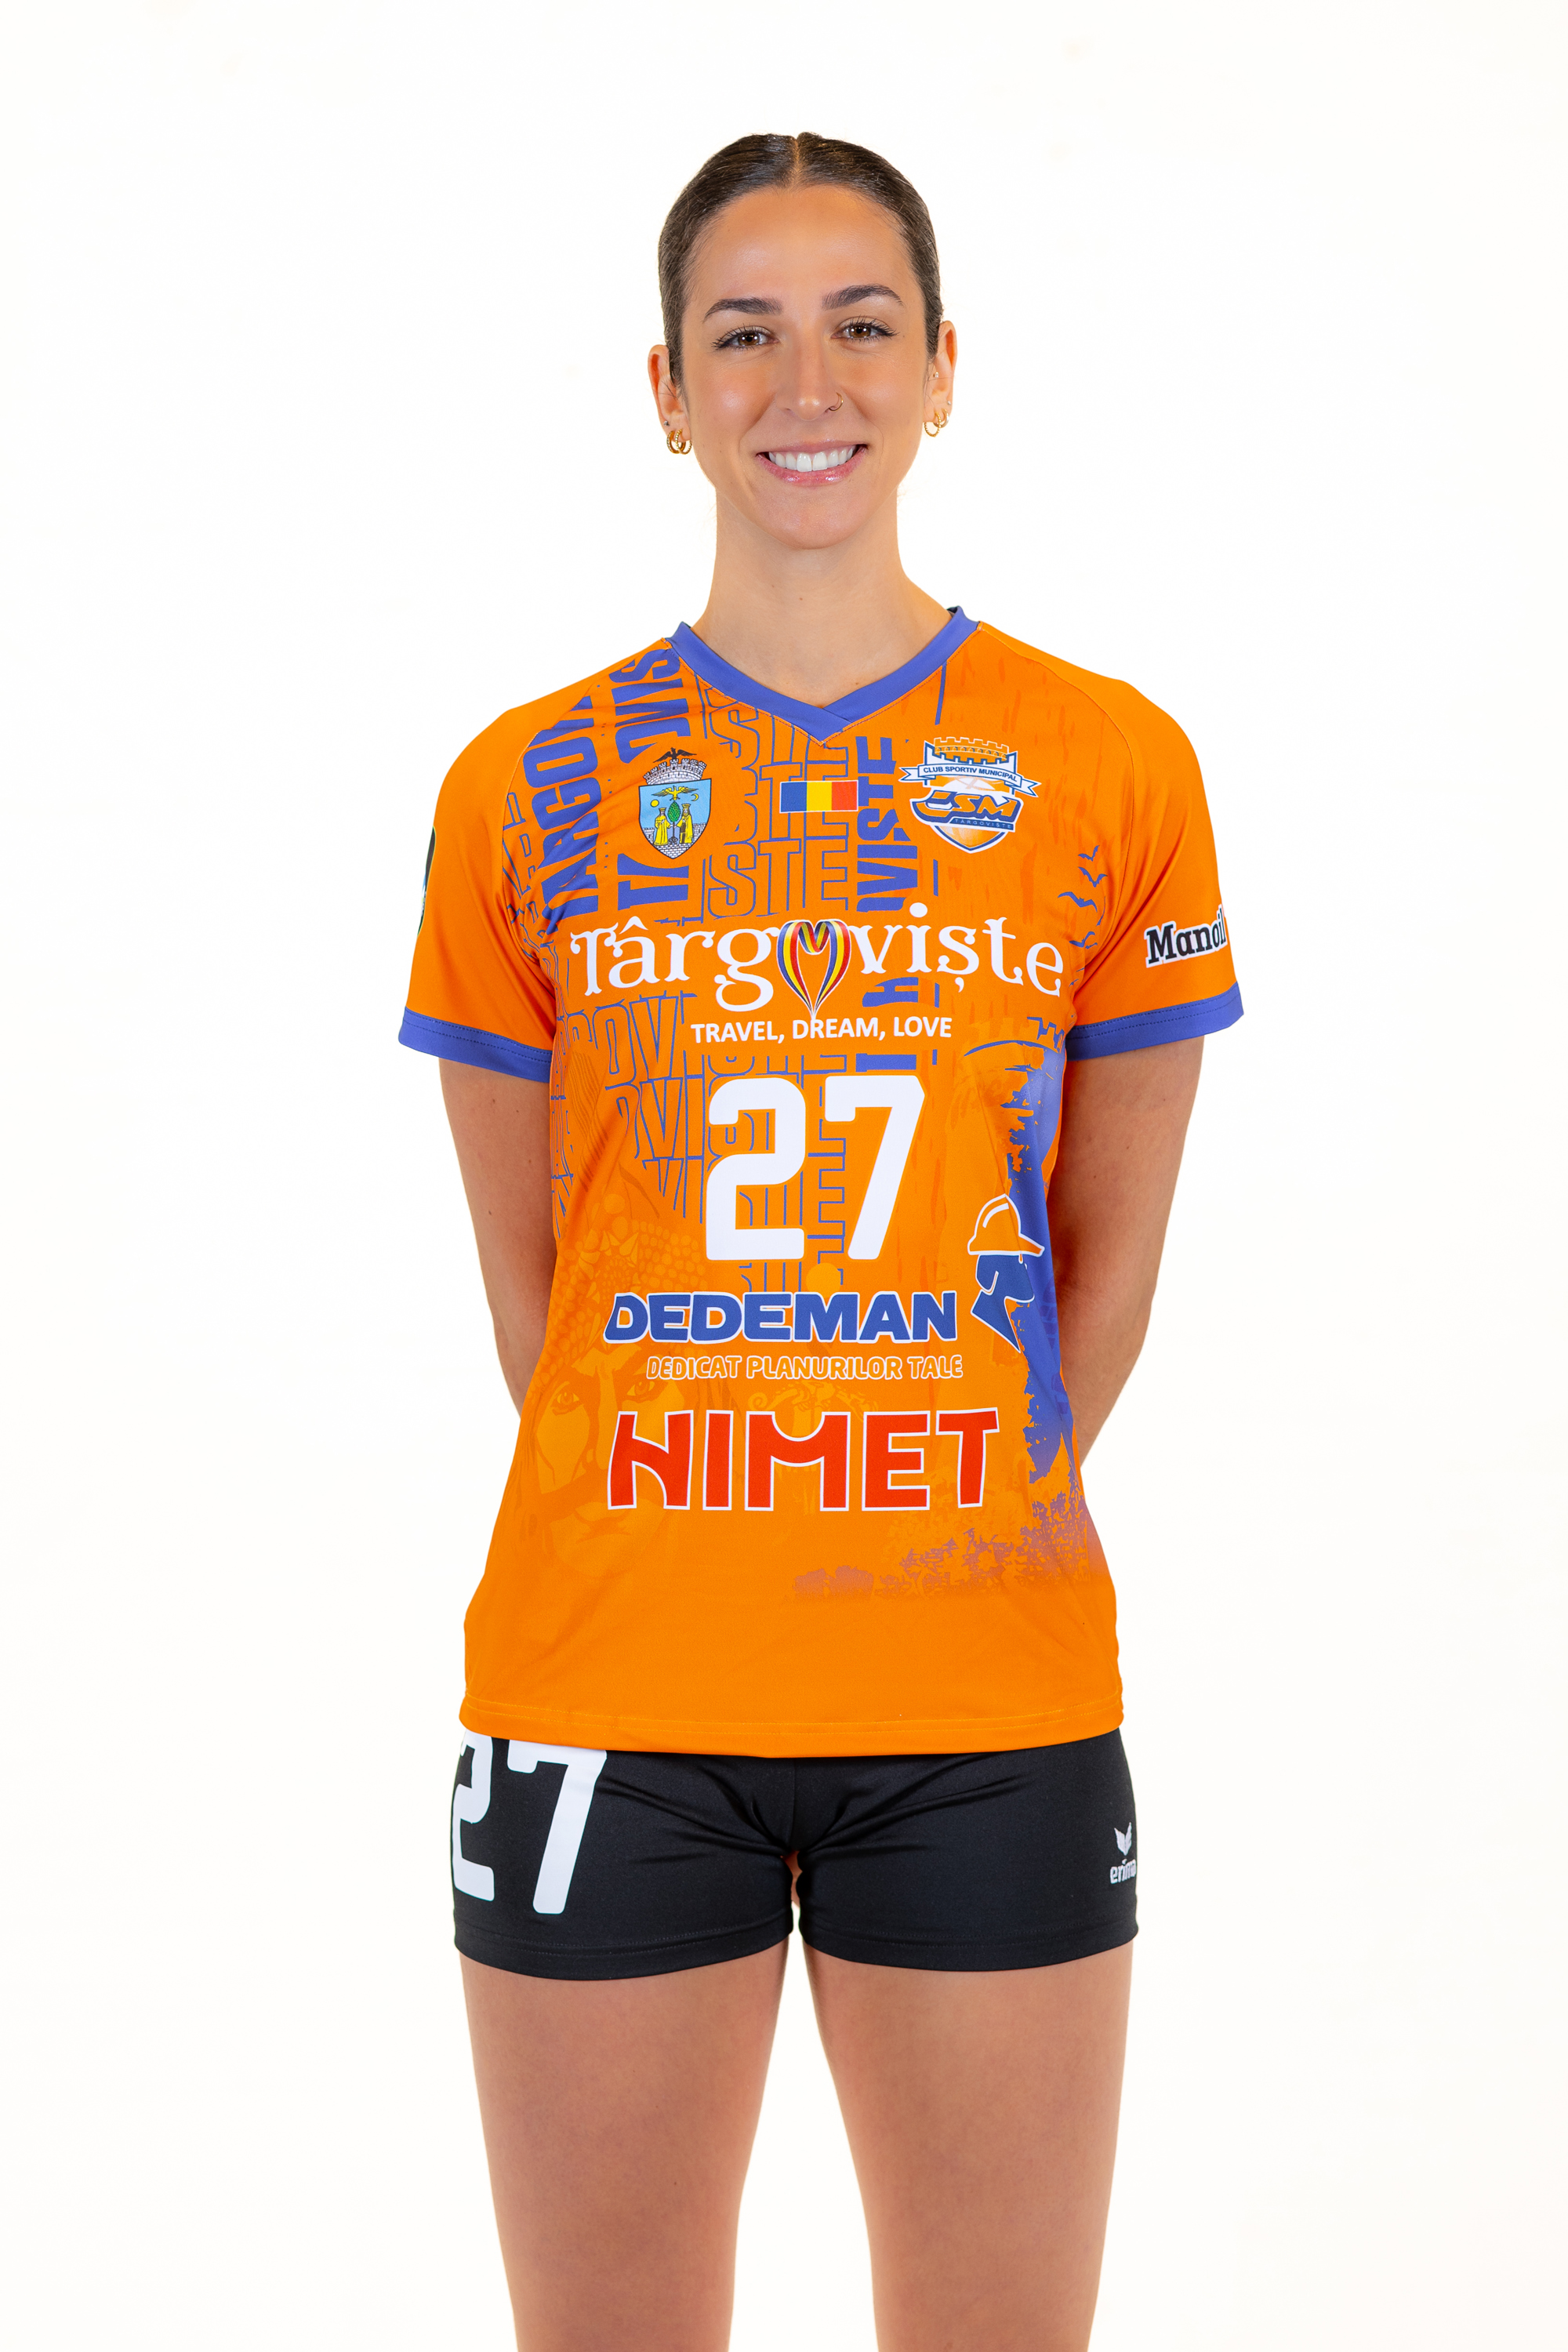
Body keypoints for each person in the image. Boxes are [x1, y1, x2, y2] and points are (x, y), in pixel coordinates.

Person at [400, 130, 1241, 2352]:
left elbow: (1108, 1261)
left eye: (863, 326)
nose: (808, 382)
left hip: (986, 1701)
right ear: (666, 391)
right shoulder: (526, 785)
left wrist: (948, 1481)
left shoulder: (1103, 765)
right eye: (743, 333)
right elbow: (542, 1292)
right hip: (606, 1703)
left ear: (945, 369)